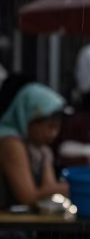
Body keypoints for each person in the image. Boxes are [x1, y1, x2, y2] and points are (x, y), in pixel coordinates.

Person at [0, 84, 69, 213]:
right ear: (28, 118)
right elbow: (28, 197)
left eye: (56, 127)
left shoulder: (40, 150)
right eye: (49, 126)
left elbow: (49, 190)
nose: (53, 134)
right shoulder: (9, 142)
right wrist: (72, 188)